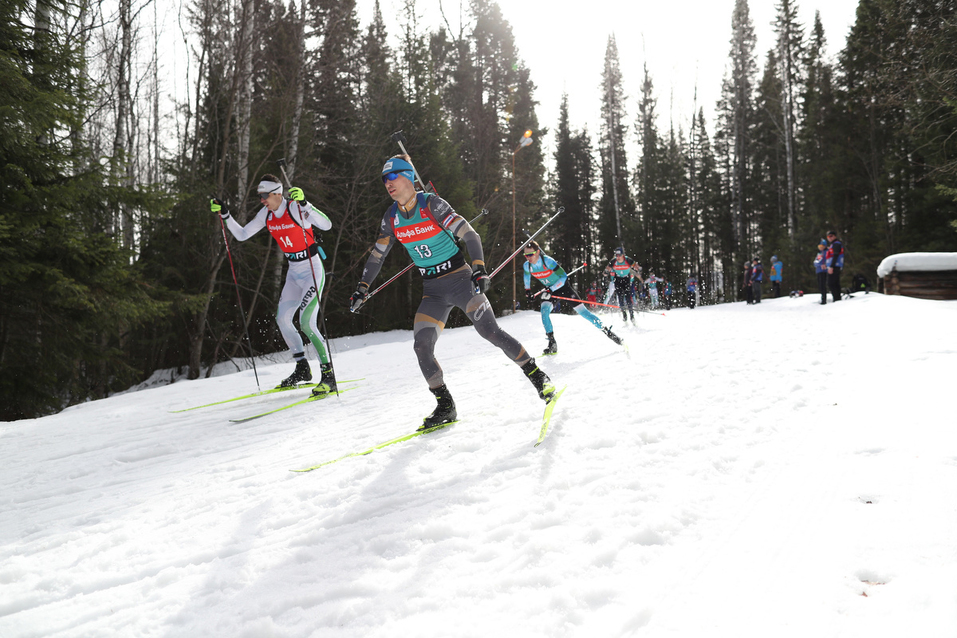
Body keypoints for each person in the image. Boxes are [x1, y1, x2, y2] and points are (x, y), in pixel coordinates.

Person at [349, 155, 556, 429]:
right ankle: (445, 406)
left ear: (409, 176)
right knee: (421, 346)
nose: (388, 183)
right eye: (384, 179)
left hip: (460, 280)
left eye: (394, 176)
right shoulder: (391, 217)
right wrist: (362, 288)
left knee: (490, 331)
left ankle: (539, 378)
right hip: (432, 291)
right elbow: (377, 255)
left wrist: (480, 269)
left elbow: (471, 235)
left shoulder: (432, 204)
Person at [211, 175, 337, 395]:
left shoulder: (296, 208)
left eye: (264, 196)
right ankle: (302, 368)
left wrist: (307, 204)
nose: (262, 200)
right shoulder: (266, 214)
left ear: (278, 194)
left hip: (312, 271)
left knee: (306, 322)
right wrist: (226, 215)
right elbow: (242, 234)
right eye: (260, 196)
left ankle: (328, 375)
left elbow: (326, 225)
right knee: (282, 319)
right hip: (294, 273)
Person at [523, 240, 624, 355]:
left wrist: (552, 289)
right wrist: (528, 291)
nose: (528, 257)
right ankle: (552, 343)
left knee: (584, 313)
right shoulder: (527, 266)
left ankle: (608, 332)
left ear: (537, 252)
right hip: (550, 290)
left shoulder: (547, 261)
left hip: (563, 288)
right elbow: (527, 277)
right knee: (544, 311)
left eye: (530, 254)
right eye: (526, 255)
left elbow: (563, 277)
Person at [604, 248, 638, 322]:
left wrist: (636, 269)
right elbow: (608, 268)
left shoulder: (628, 260)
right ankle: (624, 315)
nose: (618, 257)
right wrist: (606, 272)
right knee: (620, 298)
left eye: (619, 255)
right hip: (618, 280)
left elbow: (636, 266)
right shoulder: (613, 261)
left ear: (623, 255)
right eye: (616, 255)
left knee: (628, 297)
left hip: (626, 279)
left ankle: (632, 315)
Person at [825, 230, 844, 302]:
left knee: (831, 283)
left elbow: (835, 255)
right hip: (833, 265)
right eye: (828, 236)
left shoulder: (836, 244)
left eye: (831, 236)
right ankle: (837, 298)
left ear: (835, 236)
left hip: (835, 265)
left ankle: (836, 298)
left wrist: (831, 266)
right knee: (835, 282)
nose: (829, 238)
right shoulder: (833, 244)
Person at [813, 238, 828, 304]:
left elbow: (829, 260)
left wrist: (825, 265)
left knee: (824, 285)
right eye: (819, 247)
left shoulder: (827, 252)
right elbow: (815, 262)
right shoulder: (819, 253)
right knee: (820, 285)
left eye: (822, 246)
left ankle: (824, 299)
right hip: (819, 270)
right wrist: (820, 264)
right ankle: (823, 297)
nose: (820, 248)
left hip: (825, 271)